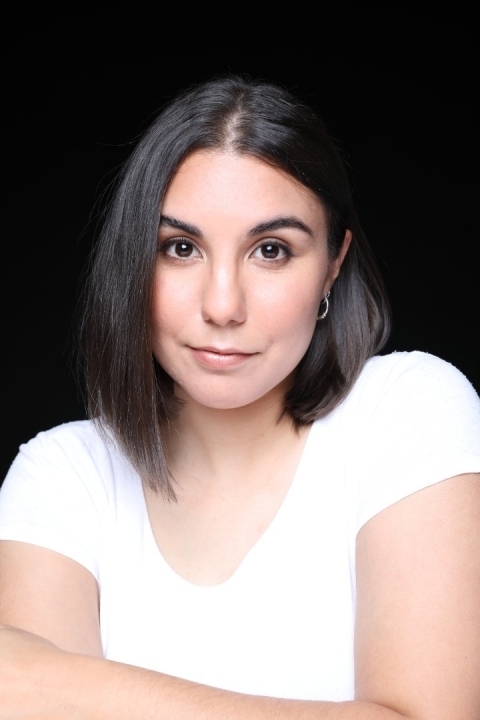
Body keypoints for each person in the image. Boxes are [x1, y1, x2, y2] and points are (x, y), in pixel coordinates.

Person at [0, 76, 479, 720]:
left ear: (333, 263)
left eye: (271, 250)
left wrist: (56, 686)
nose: (222, 305)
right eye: (180, 248)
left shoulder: (407, 412)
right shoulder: (63, 478)